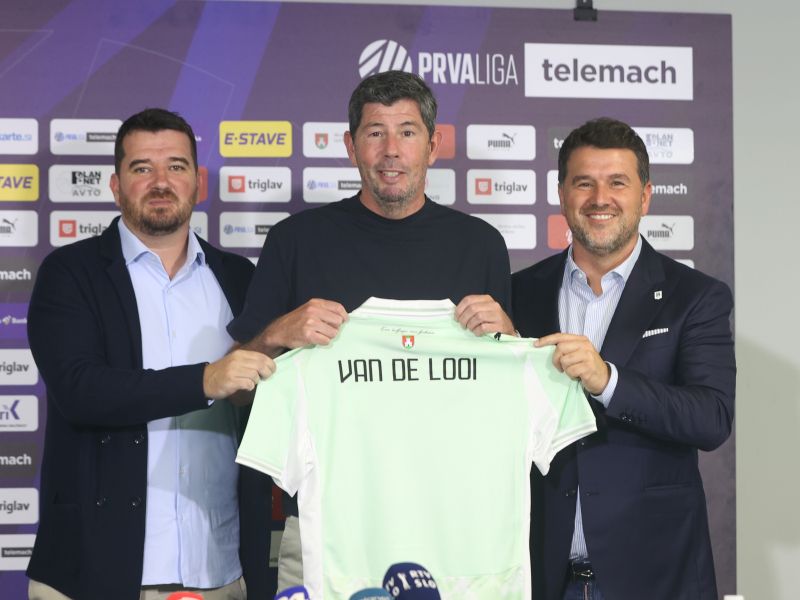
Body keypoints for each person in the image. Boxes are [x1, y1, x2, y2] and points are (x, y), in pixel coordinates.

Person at [228, 70, 515, 591]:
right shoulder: (295, 241)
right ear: (350, 146)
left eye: (407, 132)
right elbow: (237, 391)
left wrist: (510, 339)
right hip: (327, 528)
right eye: (374, 132)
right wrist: (277, 333)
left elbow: (509, 398)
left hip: (454, 526)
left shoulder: (480, 245)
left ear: (434, 145)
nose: (390, 150)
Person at [26, 108, 274, 600]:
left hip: (221, 569)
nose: (161, 182)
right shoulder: (70, 273)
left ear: (199, 182)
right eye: (142, 168)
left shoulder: (240, 278)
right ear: (116, 186)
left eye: (176, 166)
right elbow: (80, 390)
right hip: (93, 576)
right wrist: (206, 380)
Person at [512, 117, 736, 600]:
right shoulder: (518, 294)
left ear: (646, 196)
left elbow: (712, 417)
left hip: (656, 577)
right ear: (561, 194)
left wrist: (609, 381)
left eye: (617, 182)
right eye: (584, 183)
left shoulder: (695, 296)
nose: (600, 198)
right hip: (542, 576)